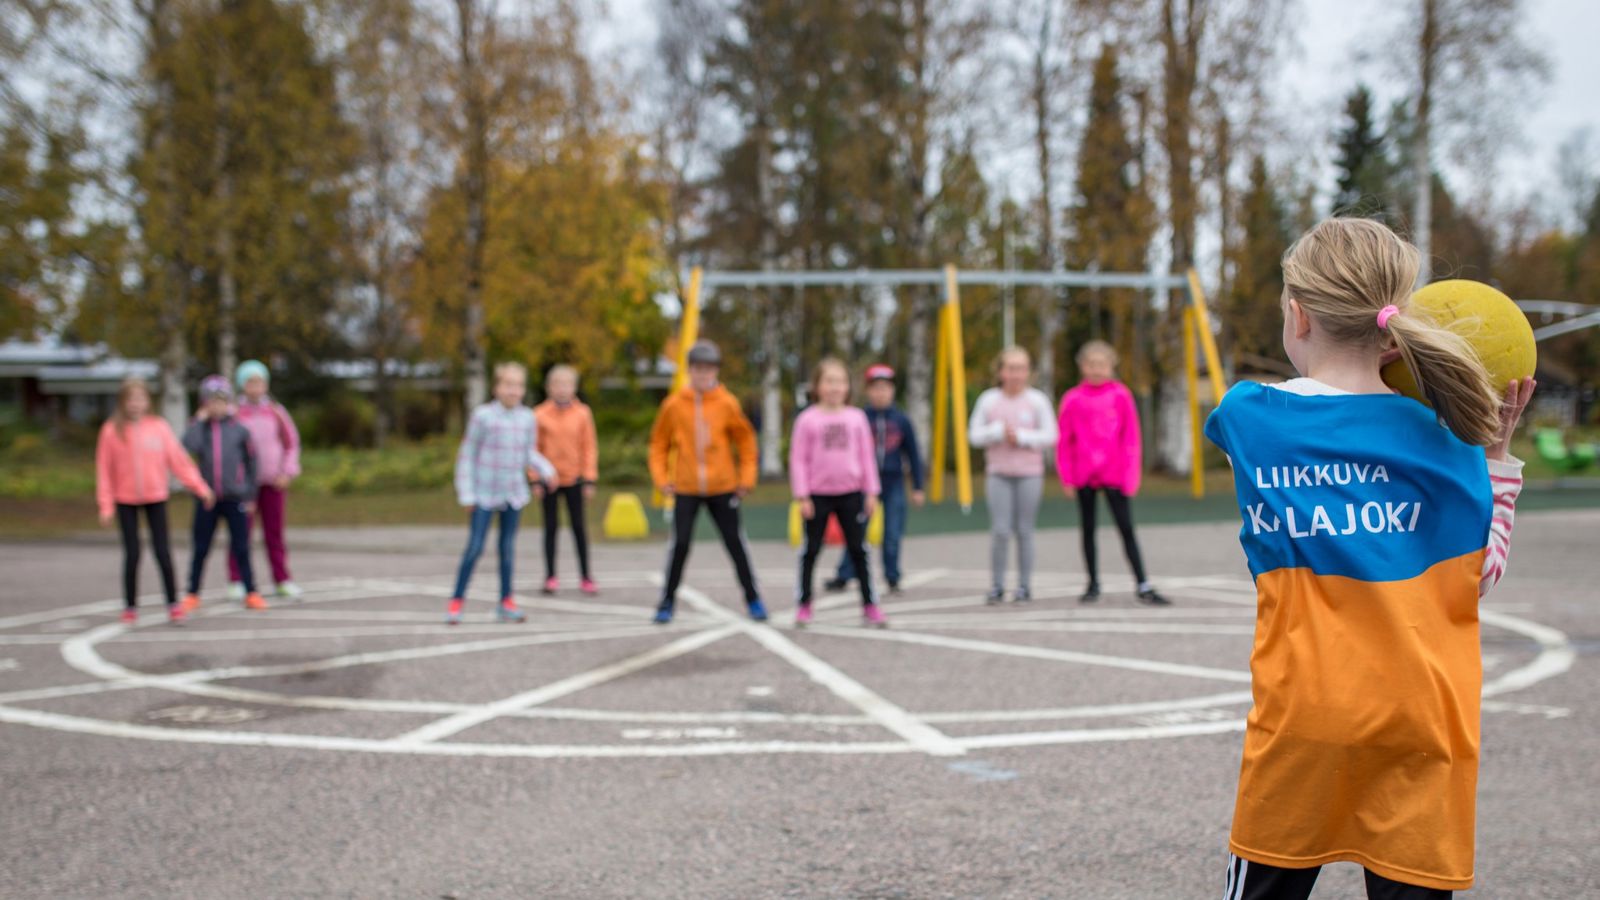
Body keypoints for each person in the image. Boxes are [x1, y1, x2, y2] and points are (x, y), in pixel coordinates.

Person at [1204, 217, 1533, 899]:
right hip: (1424, 723)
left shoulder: (1249, 417)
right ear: (1396, 326)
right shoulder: (1449, 445)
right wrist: (1494, 454)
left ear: (1298, 315)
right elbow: (1479, 578)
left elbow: (1274, 415)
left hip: (1304, 723)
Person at [648, 339, 767, 624]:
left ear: (716, 371)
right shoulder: (674, 405)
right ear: (689, 371)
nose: (703, 375)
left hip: (722, 487)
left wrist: (746, 478)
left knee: (735, 544)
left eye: (709, 369)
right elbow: (658, 444)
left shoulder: (727, 403)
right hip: (687, 488)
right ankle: (666, 601)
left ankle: (753, 599)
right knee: (680, 544)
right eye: (698, 369)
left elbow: (747, 441)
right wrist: (662, 479)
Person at [1056, 341, 1168, 605]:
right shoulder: (1072, 399)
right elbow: (1064, 440)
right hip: (1084, 474)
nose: (1096, 369)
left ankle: (1143, 584)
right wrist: (1066, 477)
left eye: (1102, 364)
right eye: (1091, 364)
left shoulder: (1121, 396)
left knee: (1126, 528)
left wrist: (1131, 476)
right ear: (1082, 366)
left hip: (1114, 474)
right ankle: (1092, 583)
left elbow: (1131, 438)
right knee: (1088, 529)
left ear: (1111, 366)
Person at [446, 362, 558, 625]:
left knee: (507, 549)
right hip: (483, 494)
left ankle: (506, 601)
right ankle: (456, 600)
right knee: (475, 548)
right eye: (508, 384)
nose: (513, 390)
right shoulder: (482, 416)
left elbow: (527, 452)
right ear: (496, 387)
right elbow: (467, 455)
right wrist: (467, 494)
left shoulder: (527, 418)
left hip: (512, 494)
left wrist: (546, 469)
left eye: (518, 385)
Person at [96, 377, 214, 624]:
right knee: (133, 554)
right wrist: (106, 505)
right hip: (125, 499)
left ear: (148, 401)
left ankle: (173, 603)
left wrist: (200, 488)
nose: (135, 404)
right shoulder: (110, 430)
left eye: (140, 398)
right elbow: (104, 471)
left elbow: (179, 462)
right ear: (123, 402)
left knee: (163, 552)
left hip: (155, 497)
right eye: (131, 399)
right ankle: (130, 607)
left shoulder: (158, 427)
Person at [790, 358, 884, 628]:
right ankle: (805, 603)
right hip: (817, 495)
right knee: (811, 551)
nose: (834, 387)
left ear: (848, 386)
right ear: (817, 386)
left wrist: (871, 492)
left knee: (859, 550)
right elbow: (798, 459)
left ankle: (870, 604)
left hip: (851, 493)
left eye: (840, 381)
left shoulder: (857, 418)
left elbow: (866, 457)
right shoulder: (807, 420)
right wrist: (802, 495)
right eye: (828, 381)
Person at [823, 364, 925, 596]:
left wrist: (918, 486)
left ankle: (892, 576)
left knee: (892, 533)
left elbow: (913, 454)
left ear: (892, 391)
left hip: (893, 483)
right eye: (876, 388)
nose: (880, 393)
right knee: (856, 530)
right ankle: (844, 574)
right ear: (868, 391)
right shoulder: (859, 417)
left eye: (885, 388)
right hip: (863, 484)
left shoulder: (901, 420)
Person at [967, 346, 1057, 604]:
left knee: (1025, 530)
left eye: (1021, 368)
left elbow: (1051, 435)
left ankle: (1024, 586)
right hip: (998, 474)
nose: (1016, 374)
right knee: (1000, 530)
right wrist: (996, 432)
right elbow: (973, 435)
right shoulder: (989, 400)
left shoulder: (1037, 400)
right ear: (1000, 371)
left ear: (1028, 372)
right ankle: (997, 585)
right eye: (1011, 368)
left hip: (1029, 474)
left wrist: (1023, 438)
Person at [182, 375, 264, 612]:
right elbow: (186, 448)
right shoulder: (200, 429)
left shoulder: (239, 430)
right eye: (211, 401)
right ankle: (192, 592)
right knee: (200, 547)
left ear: (228, 402)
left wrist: (249, 494)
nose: (216, 406)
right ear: (204, 403)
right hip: (207, 499)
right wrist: (198, 421)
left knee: (241, 547)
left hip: (235, 497)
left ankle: (251, 591)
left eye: (221, 401)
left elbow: (252, 463)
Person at [225, 360, 303, 602]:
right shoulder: (234, 414)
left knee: (275, 533)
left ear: (266, 385)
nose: (255, 387)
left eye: (259, 382)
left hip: (273, 482)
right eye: (250, 383)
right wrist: (236, 479)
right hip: (244, 487)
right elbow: (228, 449)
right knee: (240, 534)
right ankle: (237, 580)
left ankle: (282, 579)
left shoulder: (276, 412)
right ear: (242, 386)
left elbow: (292, 444)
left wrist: (286, 471)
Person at [534, 364, 598, 596]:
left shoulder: (583, 414)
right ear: (549, 388)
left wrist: (589, 478)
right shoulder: (539, 415)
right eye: (557, 384)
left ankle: (586, 576)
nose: (562, 389)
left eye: (567, 384)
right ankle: (550, 576)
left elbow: (589, 447)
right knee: (551, 528)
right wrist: (535, 479)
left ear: (574, 387)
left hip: (575, 479)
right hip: (548, 480)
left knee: (579, 528)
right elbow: (534, 449)